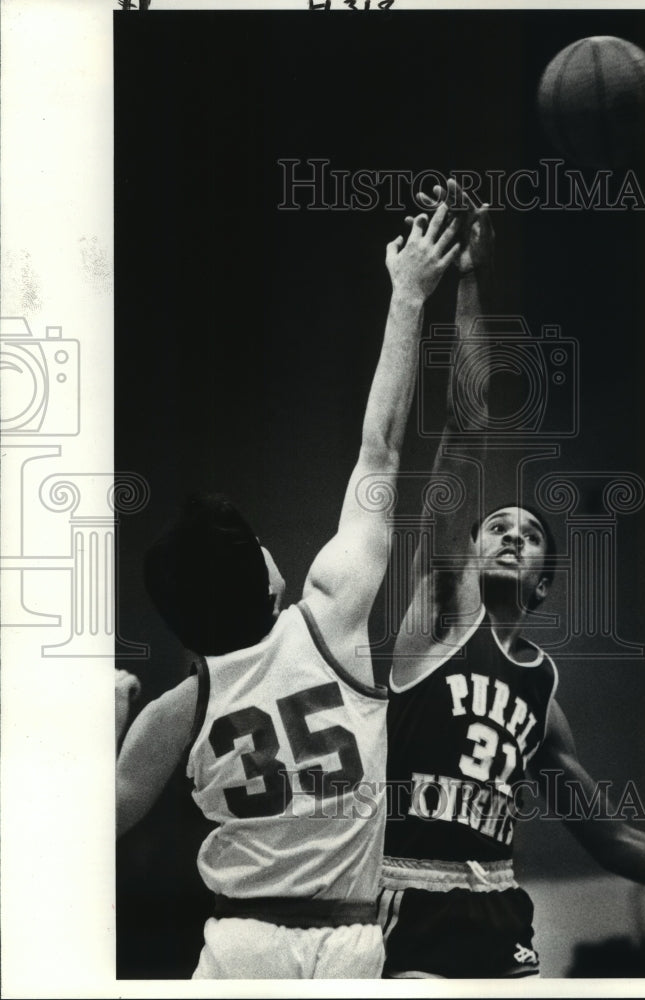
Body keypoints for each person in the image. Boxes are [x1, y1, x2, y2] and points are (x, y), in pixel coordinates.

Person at [115, 204, 461, 979]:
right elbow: (380, 452)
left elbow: (86, 829)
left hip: (237, 948)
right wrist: (408, 294)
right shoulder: (328, 618)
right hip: (346, 943)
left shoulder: (175, 711)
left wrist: (105, 724)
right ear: (266, 579)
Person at [378, 180, 645, 979]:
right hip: (407, 904)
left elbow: (612, 840)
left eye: (527, 536)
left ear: (543, 585)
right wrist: (471, 280)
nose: (508, 535)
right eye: (497, 526)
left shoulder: (542, 691)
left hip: (500, 907)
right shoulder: (442, 609)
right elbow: (467, 424)